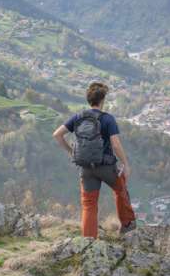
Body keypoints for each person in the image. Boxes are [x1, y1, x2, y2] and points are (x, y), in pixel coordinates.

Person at [53, 82, 136, 237]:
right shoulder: (107, 119)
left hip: (85, 168)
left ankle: (88, 240)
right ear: (102, 100)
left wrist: (71, 152)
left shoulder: (78, 117)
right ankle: (127, 225)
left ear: (88, 100)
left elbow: (57, 134)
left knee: (89, 204)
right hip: (106, 167)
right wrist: (125, 164)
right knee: (120, 189)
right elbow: (116, 145)